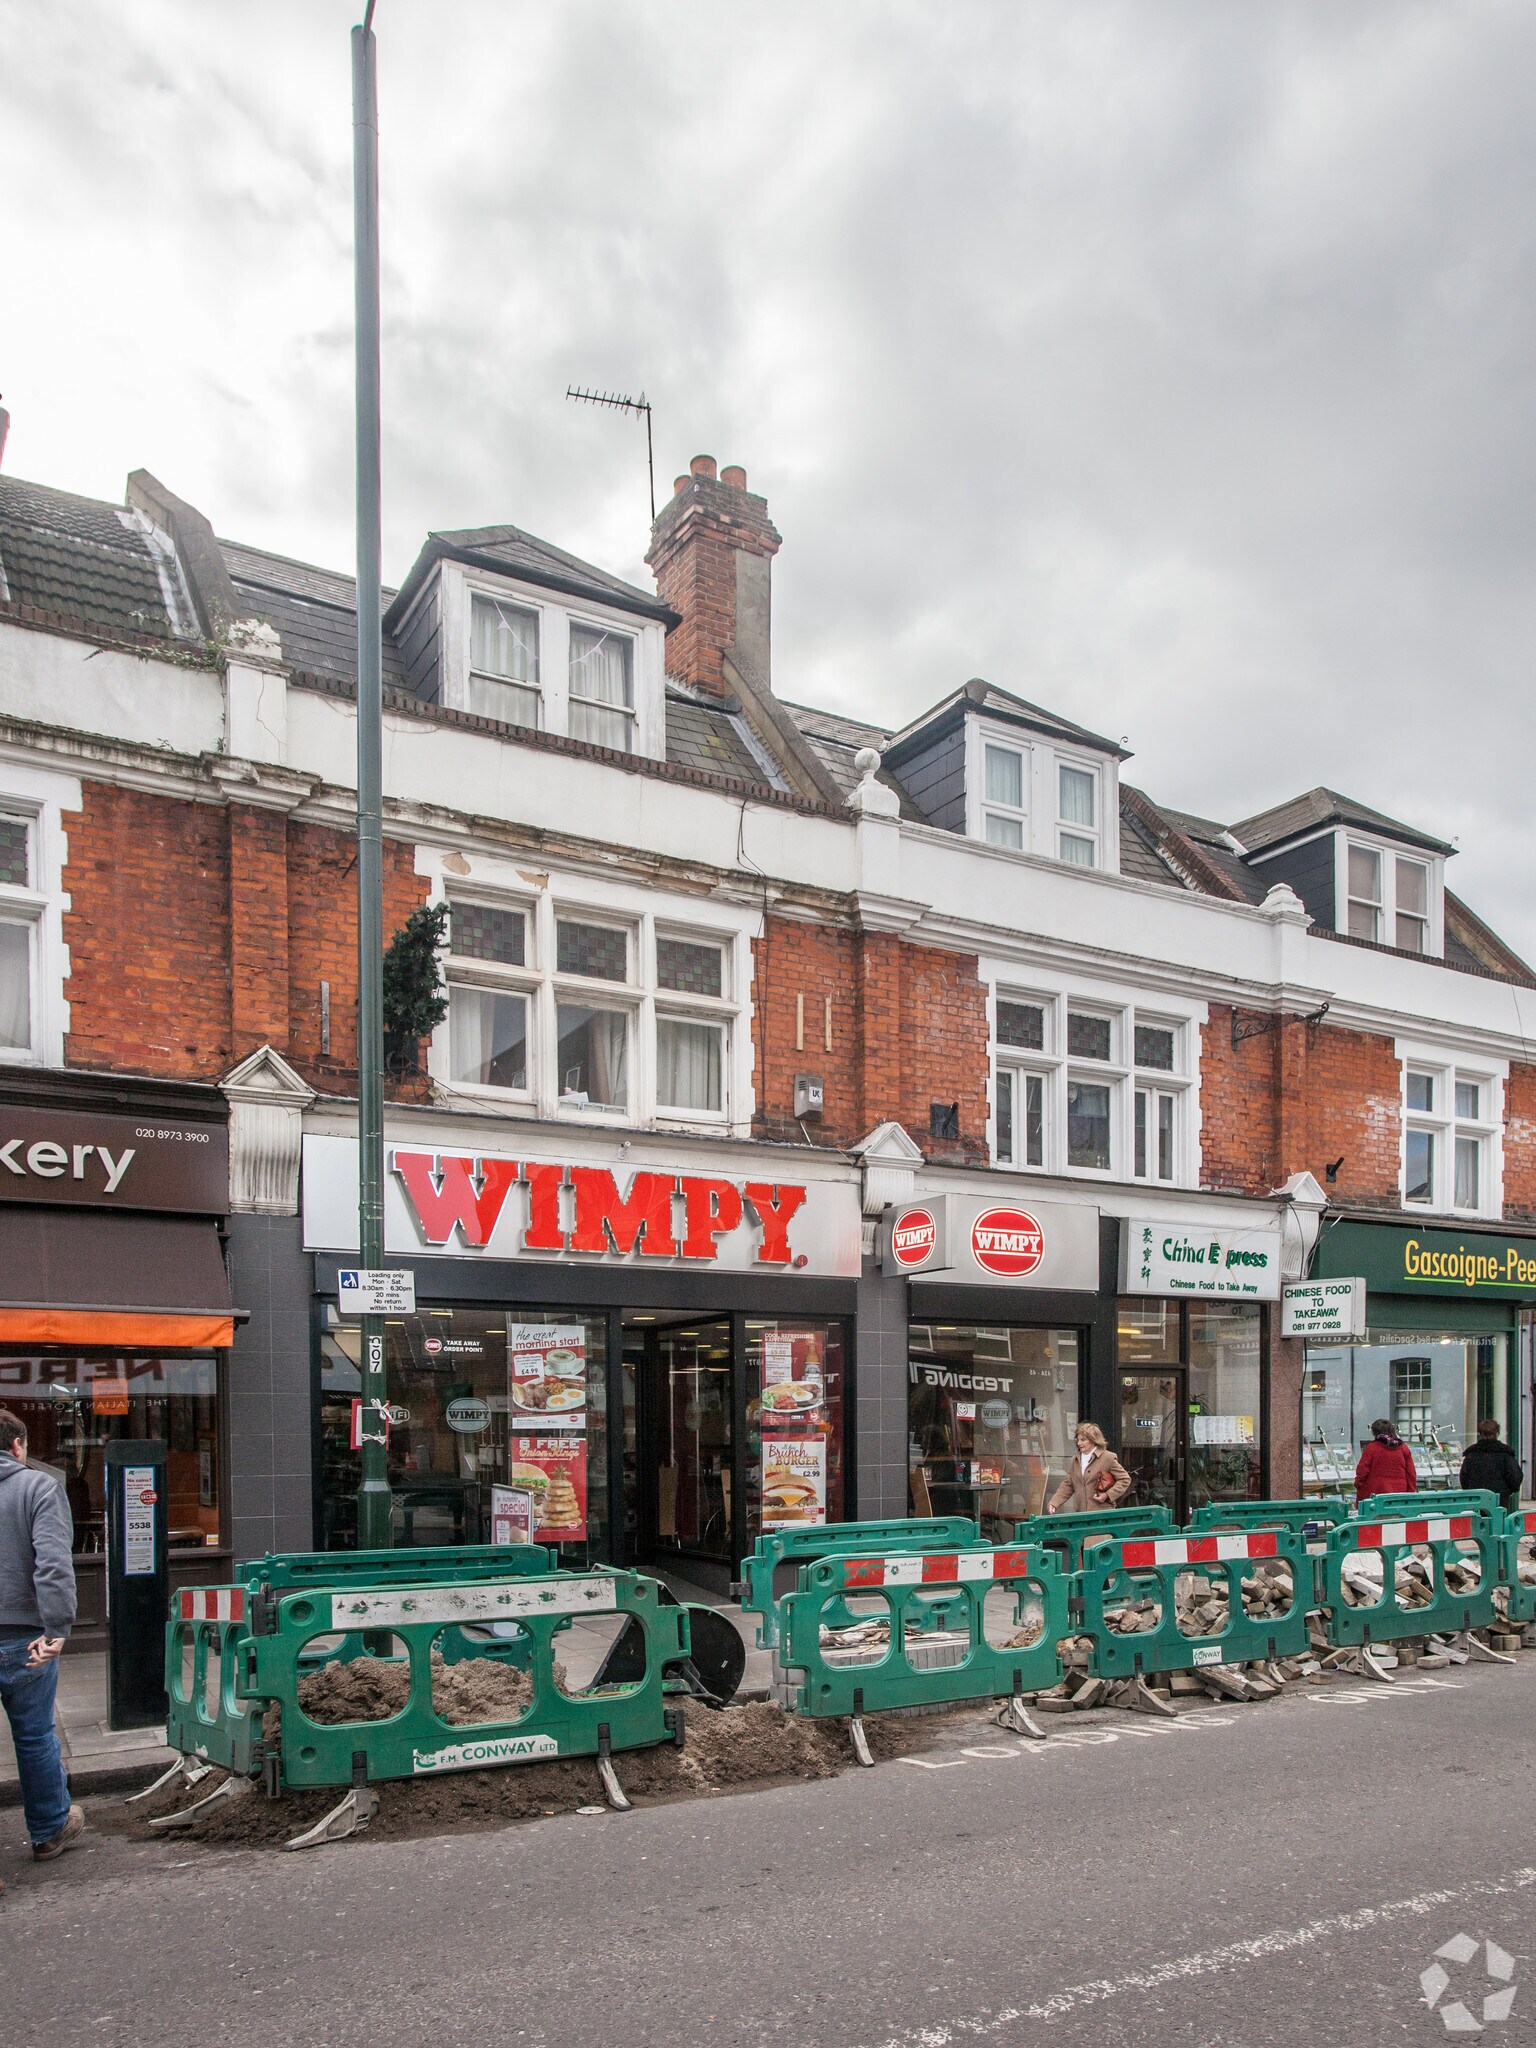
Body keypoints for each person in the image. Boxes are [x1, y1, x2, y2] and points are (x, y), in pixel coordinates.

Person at [0, 1406, 84, 1888]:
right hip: (23, 1635)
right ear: (17, 1446)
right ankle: (50, 1830)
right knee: (33, 1737)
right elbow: (52, 1566)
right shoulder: (37, 1487)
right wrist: (57, 1630)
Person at [1047, 1421, 1133, 1512]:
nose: (1079, 1443)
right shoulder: (1075, 1459)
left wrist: (1107, 1495)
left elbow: (1124, 1479)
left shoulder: (1108, 1457)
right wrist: (1054, 1502)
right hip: (1081, 1513)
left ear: (1093, 1440)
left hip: (1102, 1514)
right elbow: (1068, 1484)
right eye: (1078, 1440)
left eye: (1083, 1440)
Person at [1459, 1418, 1524, 1510]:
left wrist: (1470, 1491)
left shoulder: (1471, 1454)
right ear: (1497, 1433)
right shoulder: (1505, 1453)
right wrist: (1509, 1490)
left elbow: (1464, 1477)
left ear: (1481, 1434)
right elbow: (1515, 1476)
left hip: (1476, 1498)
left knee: (1477, 1522)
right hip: (1500, 1498)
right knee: (1498, 1521)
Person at [1354, 1417, 1418, 1502]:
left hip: (1376, 1494)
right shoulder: (1403, 1448)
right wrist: (1410, 1492)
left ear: (1375, 1432)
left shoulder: (1372, 1448)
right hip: (1400, 1493)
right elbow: (1411, 1473)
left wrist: (1358, 1484)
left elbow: (1362, 1470)